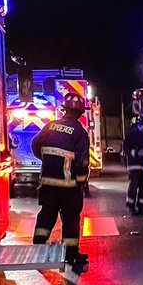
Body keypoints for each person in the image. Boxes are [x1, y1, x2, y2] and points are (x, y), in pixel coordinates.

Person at [31, 93, 91, 271]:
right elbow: (83, 161)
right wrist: (81, 182)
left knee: (46, 215)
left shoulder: (50, 126)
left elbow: (35, 146)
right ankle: (71, 256)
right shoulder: (79, 132)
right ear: (80, 112)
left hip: (48, 184)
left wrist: (47, 160)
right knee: (71, 220)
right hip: (68, 187)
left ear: (64, 109)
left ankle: (38, 247)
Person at [123, 116, 143, 215]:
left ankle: (142, 208)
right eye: (139, 125)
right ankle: (130, 207)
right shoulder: (130, 136)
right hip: (134, 166)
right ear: (135, 126)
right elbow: (126, 149)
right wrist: (136, 152)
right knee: (134, 186)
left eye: (142, 125)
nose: (141, 127)